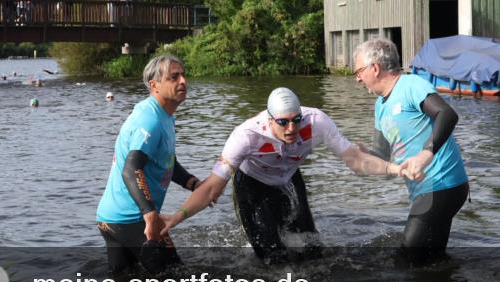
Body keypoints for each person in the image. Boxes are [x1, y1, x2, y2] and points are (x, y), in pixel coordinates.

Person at [161, 87, 403, 262]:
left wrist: (395, 169)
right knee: (271, 258)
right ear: (269, 120)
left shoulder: (317, 121)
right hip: (252, 184)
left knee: (312, 248)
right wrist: (176, 218)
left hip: (289, 178)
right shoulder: (246, 136)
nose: (292, 129)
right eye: (283, 122)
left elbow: (355, 160)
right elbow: (213, 187)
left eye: (296, 120)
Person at [352, 38, 469, 265]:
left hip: (442, 184)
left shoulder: (410, 85)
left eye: (359, 71)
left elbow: (447, 115)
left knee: (407, 259)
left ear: (374, 68)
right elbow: (381, 153)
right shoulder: (380, 105)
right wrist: (363, 156)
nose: (357, 78)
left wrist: (426, 154)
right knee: (431, 260)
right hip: (426, 190)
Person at [95, 54, 201, 275]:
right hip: (132, 218)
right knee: (175, 277)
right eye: (174, 77)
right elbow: (131, 169)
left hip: (110, 218)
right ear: (155, 85)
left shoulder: (164, 115)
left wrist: (192, 184)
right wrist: (150, 215)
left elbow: (164, 159)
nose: (183, 81)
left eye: (183, 75)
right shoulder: (150, 119)